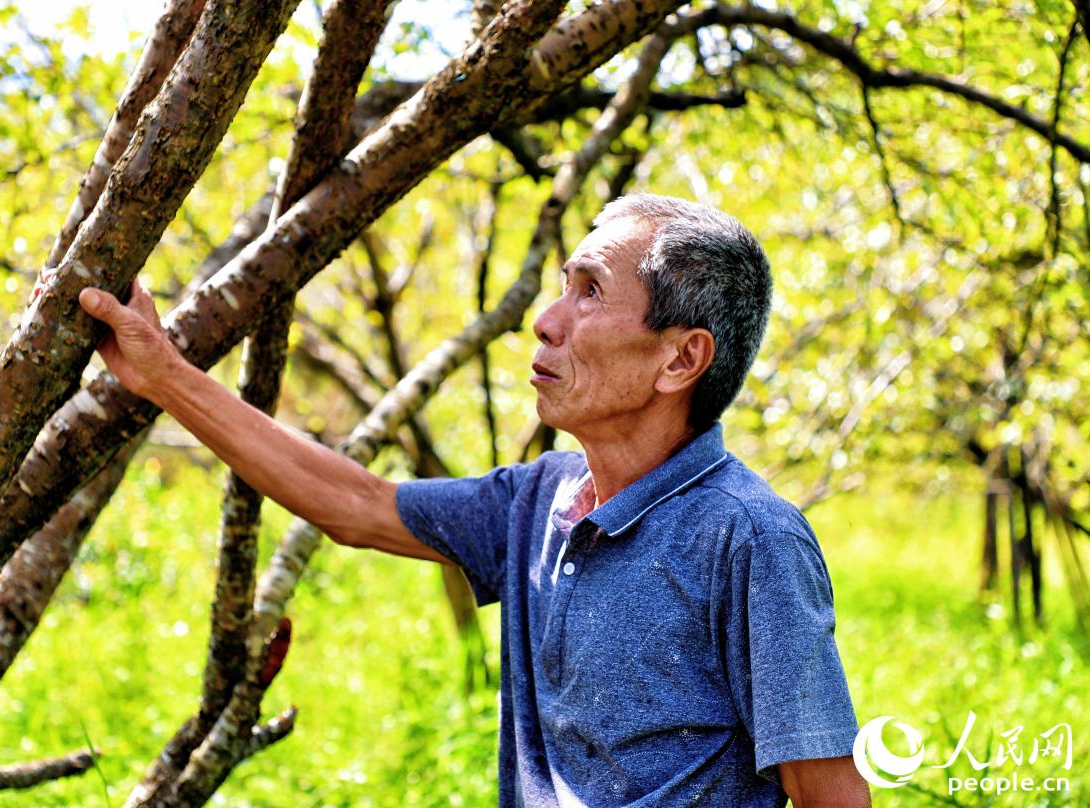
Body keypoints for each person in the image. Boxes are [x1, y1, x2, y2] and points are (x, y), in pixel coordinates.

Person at [79, 193, 871, 807]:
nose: (546, 320)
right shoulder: (537, 499)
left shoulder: (749, 540)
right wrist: (164, 376)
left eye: (589, 292)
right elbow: (353, 503)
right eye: (563, 285)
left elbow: (830, 794)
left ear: (679, 359)